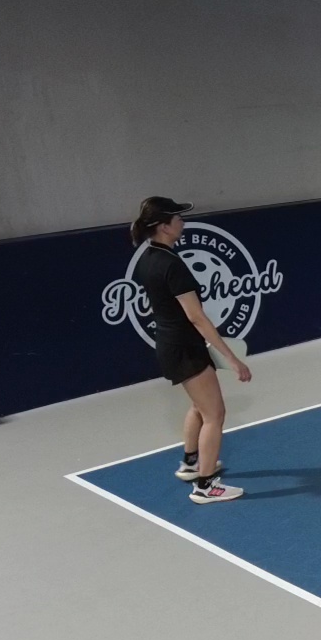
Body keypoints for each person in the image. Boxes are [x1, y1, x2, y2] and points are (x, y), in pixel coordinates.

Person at [129, 196, 251, 504]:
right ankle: (205, 486)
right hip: (185, 347)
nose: (182, 222)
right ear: (164, 226)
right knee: (215, 415)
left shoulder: (147, 258)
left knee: (199, 406)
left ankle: (190, 463)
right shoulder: (172, 265)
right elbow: (196, 317)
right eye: (178, 218)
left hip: (171, 345)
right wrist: (233, 359)